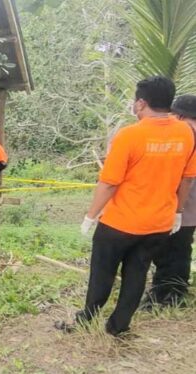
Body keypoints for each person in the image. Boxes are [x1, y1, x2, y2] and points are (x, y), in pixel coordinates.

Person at [64, 76, 196, 336]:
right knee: (137, 272)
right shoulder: (185, 134)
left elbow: (110, 183)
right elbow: (187, 178)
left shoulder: (130, 135)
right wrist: (177, 213)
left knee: (103, 271)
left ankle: (87, 316)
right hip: (158, 223)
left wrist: (91, 216)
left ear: (141, 103)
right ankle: (119, 325)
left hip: (120, 223)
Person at [143, 94, 196, 308]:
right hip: (188, 205)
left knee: (170, 249)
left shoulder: (186, 134)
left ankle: (168, 292)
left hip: (183, 204)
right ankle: (173, 290)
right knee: (180, 248)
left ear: (180, 115)